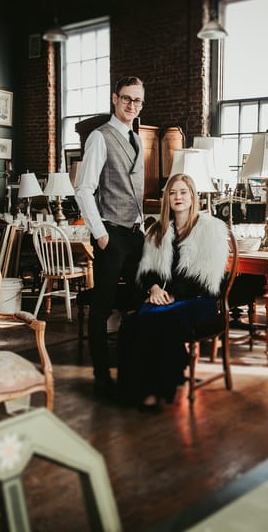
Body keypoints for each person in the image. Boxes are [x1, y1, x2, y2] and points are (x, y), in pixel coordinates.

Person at [117, 173, 230, 411]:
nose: (178, 197)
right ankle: (132, 389)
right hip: (164, 297)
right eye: (172, 192)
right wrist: (155, 288)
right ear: (166, 198)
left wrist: (174, 295)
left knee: (160, 320)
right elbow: (147, 270)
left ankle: (156, 389)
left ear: (192, 196)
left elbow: (205, 277)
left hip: (199, 299)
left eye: (183, 192)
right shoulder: (158, 230)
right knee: (131, 323)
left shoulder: (210, 228)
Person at [73, 76, 146, 399]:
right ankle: (102, 376)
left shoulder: (136, 137)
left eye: (138, 101)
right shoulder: (100, 138)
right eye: (127, 99)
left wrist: (143, 225)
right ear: (115, 99)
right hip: (111, 235)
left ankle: (133, 369)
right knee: (102, 308)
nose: (132, 105)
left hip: (134, 233)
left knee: (140, 301)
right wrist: (101, 236)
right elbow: (84, 190)